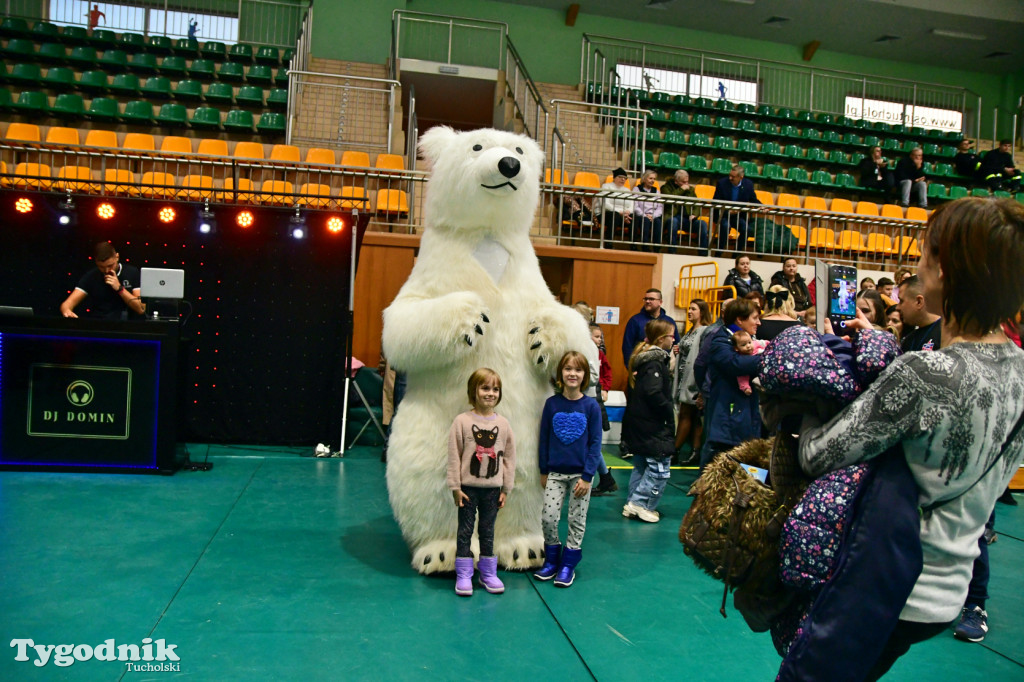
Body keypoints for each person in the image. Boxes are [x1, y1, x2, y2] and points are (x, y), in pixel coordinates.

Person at [795, 197, 1024, 680]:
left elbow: (816, 455)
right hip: (950, 589)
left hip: (888, 586)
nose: (917, 268)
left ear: (946, 269)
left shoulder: (930, 371)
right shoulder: (1020, 370)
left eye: (925, 256)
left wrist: (806, 395)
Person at [534, 351, 603, 588]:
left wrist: (587, 476)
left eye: (578, 370)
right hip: (555, 473)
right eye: (568, 369)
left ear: (584, 375)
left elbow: (595, 443)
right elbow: (543, 439)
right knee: (549, 517)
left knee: (577, 519)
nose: (572, 373)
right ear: (560, 373)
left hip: (580, 476)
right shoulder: (552, 404)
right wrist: (544, 470)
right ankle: (552, 560)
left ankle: (568, 564)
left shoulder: (590, 406)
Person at [447, 368, 516, 597]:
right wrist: (455, 487)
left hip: (492, 491)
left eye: (495, 389)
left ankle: (488, 573)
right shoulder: (462, 421)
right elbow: (454, 455)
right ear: (473, 391)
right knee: (465, 531)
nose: (490, 393)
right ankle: (464, 573)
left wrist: (506, 488)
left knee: (487, 531)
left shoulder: (504, 425)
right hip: (467, 490)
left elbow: (509, 458)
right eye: (485, 388)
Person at [622, 319, 676, 523]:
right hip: (652, 425)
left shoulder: (647, 361)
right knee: (659, 468)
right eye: (672, 336)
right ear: (662, 339)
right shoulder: (654, 363)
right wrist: (667, 409)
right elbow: (653, 392)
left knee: (642, 465)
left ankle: (632, 502)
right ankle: (641, 503)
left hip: (641, 423)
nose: (673, 340)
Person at [700, 298, 762, 467]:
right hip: (726, 415)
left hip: (745, 415)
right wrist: (767, 359)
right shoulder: (721, 340)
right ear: (740, 320)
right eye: (755, 318)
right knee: (716, 468)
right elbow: (735, 364)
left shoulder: (750, 340)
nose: (759, 323)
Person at [60, 241, 145, 320]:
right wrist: (66, 311)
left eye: (110, 266)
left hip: (125, 325)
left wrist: (120, 288)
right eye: (102, 267)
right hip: (99, 323)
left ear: (117, 257)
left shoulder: (132, 272)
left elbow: (141, 309)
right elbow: (68, 303)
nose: (107, 270)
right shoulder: (91, 276)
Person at [674, 299, 713, 463]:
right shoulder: (690, 331)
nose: (689, 311)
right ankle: (696, 451)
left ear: (702, 312)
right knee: (694, 417)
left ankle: (674, 450)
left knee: (686, 414)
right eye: (689, 309)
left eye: (693, 309)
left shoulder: (704, 331)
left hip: (693, 379)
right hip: (684, 376)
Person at [589, 323, 618, 496]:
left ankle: (605, 477)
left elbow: (607, 373)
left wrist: (605, 388)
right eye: (596, 336)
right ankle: (606, 477)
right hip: (590, 398)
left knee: (593, 443)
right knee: (591, 443)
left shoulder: (600, 354)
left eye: (601, 337)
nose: (600, 340)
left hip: (596, 398)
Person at [621, 288, 678, 368]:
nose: (647, 301)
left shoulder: (669, 321)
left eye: (651, 299)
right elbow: (627, 346)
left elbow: (676, 344)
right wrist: (631, 368)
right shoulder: (635, 320)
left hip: (663, 366)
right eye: (646, 299)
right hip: (640, 367)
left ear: (660, 302)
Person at [712, 165, 762, 251]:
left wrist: (761, 206)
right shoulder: (722, 183)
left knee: (746, 229)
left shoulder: (748, 184)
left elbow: (753, 199)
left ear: (741, 177)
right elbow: (715, 202)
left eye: (733, 177)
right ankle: (719, 251)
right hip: (723, 215)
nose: (730, 178)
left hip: (738, 216)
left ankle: (737, 253)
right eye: (730, 175)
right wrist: (728, 211)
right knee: (725, 226)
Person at [661, 169, 710, 253]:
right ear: (676, 181)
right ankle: (672, 251)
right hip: (673, 216)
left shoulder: (690, 189)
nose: (686, 184)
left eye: (687, 182)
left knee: (702, 224)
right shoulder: (666, 187)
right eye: (683, 182)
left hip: (688, 219)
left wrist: (694, 214)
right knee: (673, 222)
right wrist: (682, 189)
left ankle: (703, 253)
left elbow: (696, 204)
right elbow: (669, 198)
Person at [897, 275, 942, 352]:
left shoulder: (946, 337)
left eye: (901, 301)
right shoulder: (908, 340)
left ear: (919, 302)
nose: (897, 307)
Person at [597, 167, 634, 247]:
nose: (623, 179)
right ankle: (608, 242)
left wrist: (628, 212)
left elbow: (631, 205)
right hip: (606, 214)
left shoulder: (627, 190)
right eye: (620, 177)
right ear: (614, 178)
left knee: (635, 217)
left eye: (625, 178)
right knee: (615, 215)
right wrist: (620, 212)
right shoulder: (606, 186)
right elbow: (605, 204)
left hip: (624, 215)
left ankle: (633, 244)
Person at [632, 169, 665, 250]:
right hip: (641, 215)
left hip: (653, 215)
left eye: (654, 179)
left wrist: (653, 216)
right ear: (644, 179)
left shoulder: (656, 191)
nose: (652, 180)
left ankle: (657, 248)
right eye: (650, 178)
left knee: (658, 222)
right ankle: (645, 246)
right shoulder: (636, 189)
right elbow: (635, 205)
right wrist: (644, 215)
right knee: (645, 221)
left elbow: (660, 207)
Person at [731, 329, 766, 395]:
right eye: (743, 345)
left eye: (749, 342)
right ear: (736, 348)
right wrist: (746, 388)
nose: (748, 346)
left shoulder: (755, 344)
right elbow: (742, 377)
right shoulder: (742, 359)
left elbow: (764, 343)